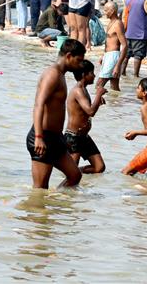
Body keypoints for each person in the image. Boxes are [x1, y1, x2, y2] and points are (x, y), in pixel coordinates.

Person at [27, 39, 86, 189]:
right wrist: (39, 137)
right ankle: (38, 211)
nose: (80, 65)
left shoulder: (61, 74)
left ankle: (57, 205)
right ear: (68, 56)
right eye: (78, 60)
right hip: (43, 137)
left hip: (55, 138)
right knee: (40, 189)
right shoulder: (52, 74)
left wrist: (60, 137)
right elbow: (39, 104)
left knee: (74, 175)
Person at [65, 60, 107, 174]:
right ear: (84, 74)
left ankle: (76, 174)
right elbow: (90, 111)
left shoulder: (84, 89)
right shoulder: (78, 91)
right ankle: (64, 188)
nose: (94, 76)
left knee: (99, 167)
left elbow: (87, 111)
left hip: (84, 137)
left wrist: (97, 101)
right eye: (91, 73)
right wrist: (98, 94)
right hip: (74, 137)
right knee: (71, 172)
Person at [96, 1, 127, 91]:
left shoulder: (118, 24)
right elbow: (108, 42)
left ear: (112, 11)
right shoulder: (111, 23)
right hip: (108, 55)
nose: (104, 12)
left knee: (99, 85)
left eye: (106, 10)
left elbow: (125, 45)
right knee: (114, 88)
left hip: (113, 57)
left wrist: (118, 65)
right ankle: (116, 103)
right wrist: (104, 55)